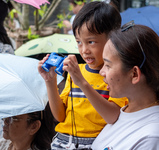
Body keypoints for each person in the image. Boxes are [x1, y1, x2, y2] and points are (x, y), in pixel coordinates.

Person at [38, 1, 127, 149]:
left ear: (112, 40)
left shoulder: (117, 75)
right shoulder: (77, 71)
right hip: (63, 141)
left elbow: (112, 117)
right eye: (79, 42)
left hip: (98, 143)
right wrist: (50, 81)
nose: (84, 50)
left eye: (91, 42)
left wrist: (82, 82)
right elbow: (60, 116)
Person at [91, 21, 159, 150]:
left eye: (108, 65)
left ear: (135, 74)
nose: (101, 72)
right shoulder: (130, 110)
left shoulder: (154, 137)